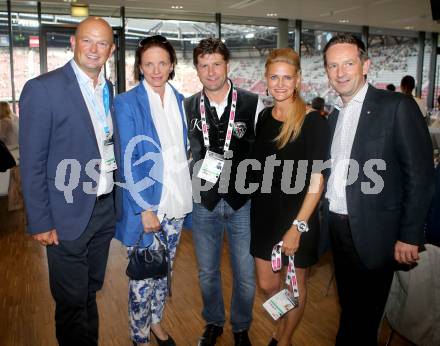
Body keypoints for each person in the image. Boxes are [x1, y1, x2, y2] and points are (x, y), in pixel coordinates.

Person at [323, 33, 434, 345]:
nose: (341, 72)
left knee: (364, 315)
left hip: (377, 232)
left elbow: (421, 174)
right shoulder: (334, 115)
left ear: (365, 65)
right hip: (338, 227)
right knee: (350, 307)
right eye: (333, 66)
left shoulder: (396, 106)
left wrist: (410, 234)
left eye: (348, 63)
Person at [19, 17, 117, 346]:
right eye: (86, 41)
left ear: (111, 50)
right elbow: (32, 163)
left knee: (89, 292)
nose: (93, 49)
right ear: (73, 43)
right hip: (65, 215)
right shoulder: (42, 88)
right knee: (71, 301)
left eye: (102, 43)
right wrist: (41, 221)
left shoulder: (107, 88)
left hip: (102, 211)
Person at [184, 38, 264, 346]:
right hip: (203, 201)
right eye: (203, 65)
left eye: (216, 64)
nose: (211, 71)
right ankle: (214, 322)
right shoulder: (187, 104)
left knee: (244, 274)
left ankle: (241, 326)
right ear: (197, 69)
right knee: (207, 273)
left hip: (242, 201)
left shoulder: (253, 103)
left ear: (227, 65)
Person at [114, 35, 192, 346]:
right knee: (143, 277)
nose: (156, 70)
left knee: (164, 271)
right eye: (149, 64)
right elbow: (128, 160)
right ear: (140, 67)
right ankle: (139, 336)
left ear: (172, 65)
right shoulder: (127, 102)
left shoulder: (181, 100)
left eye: (162, 63)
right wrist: (144, 208)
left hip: (176, 201)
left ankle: (156, 322)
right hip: (148, 206)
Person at [250, 48, 328, 346]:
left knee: (296, 286)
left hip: (298, 219)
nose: (280, 84)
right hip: (265, 217)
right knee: (267, 283)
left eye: (287, 77)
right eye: (274, 77)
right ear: (266, 80)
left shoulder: (313, 122)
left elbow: (316, 182)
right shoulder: (264, 119)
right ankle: (283, 322)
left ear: (298, 80)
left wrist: (297, 227)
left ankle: (284, 339)